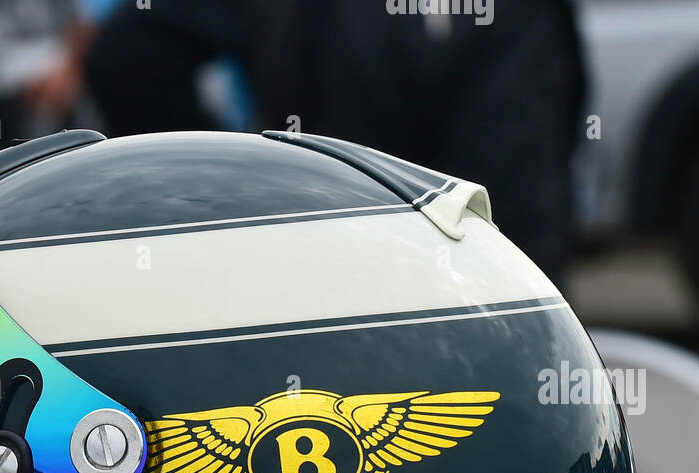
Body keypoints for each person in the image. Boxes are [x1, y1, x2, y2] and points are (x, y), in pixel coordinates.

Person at [84, 0, 586, 284]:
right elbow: (523, 190)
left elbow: (126, 56)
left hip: (310, 285)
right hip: (469, 297)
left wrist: (216, 201)